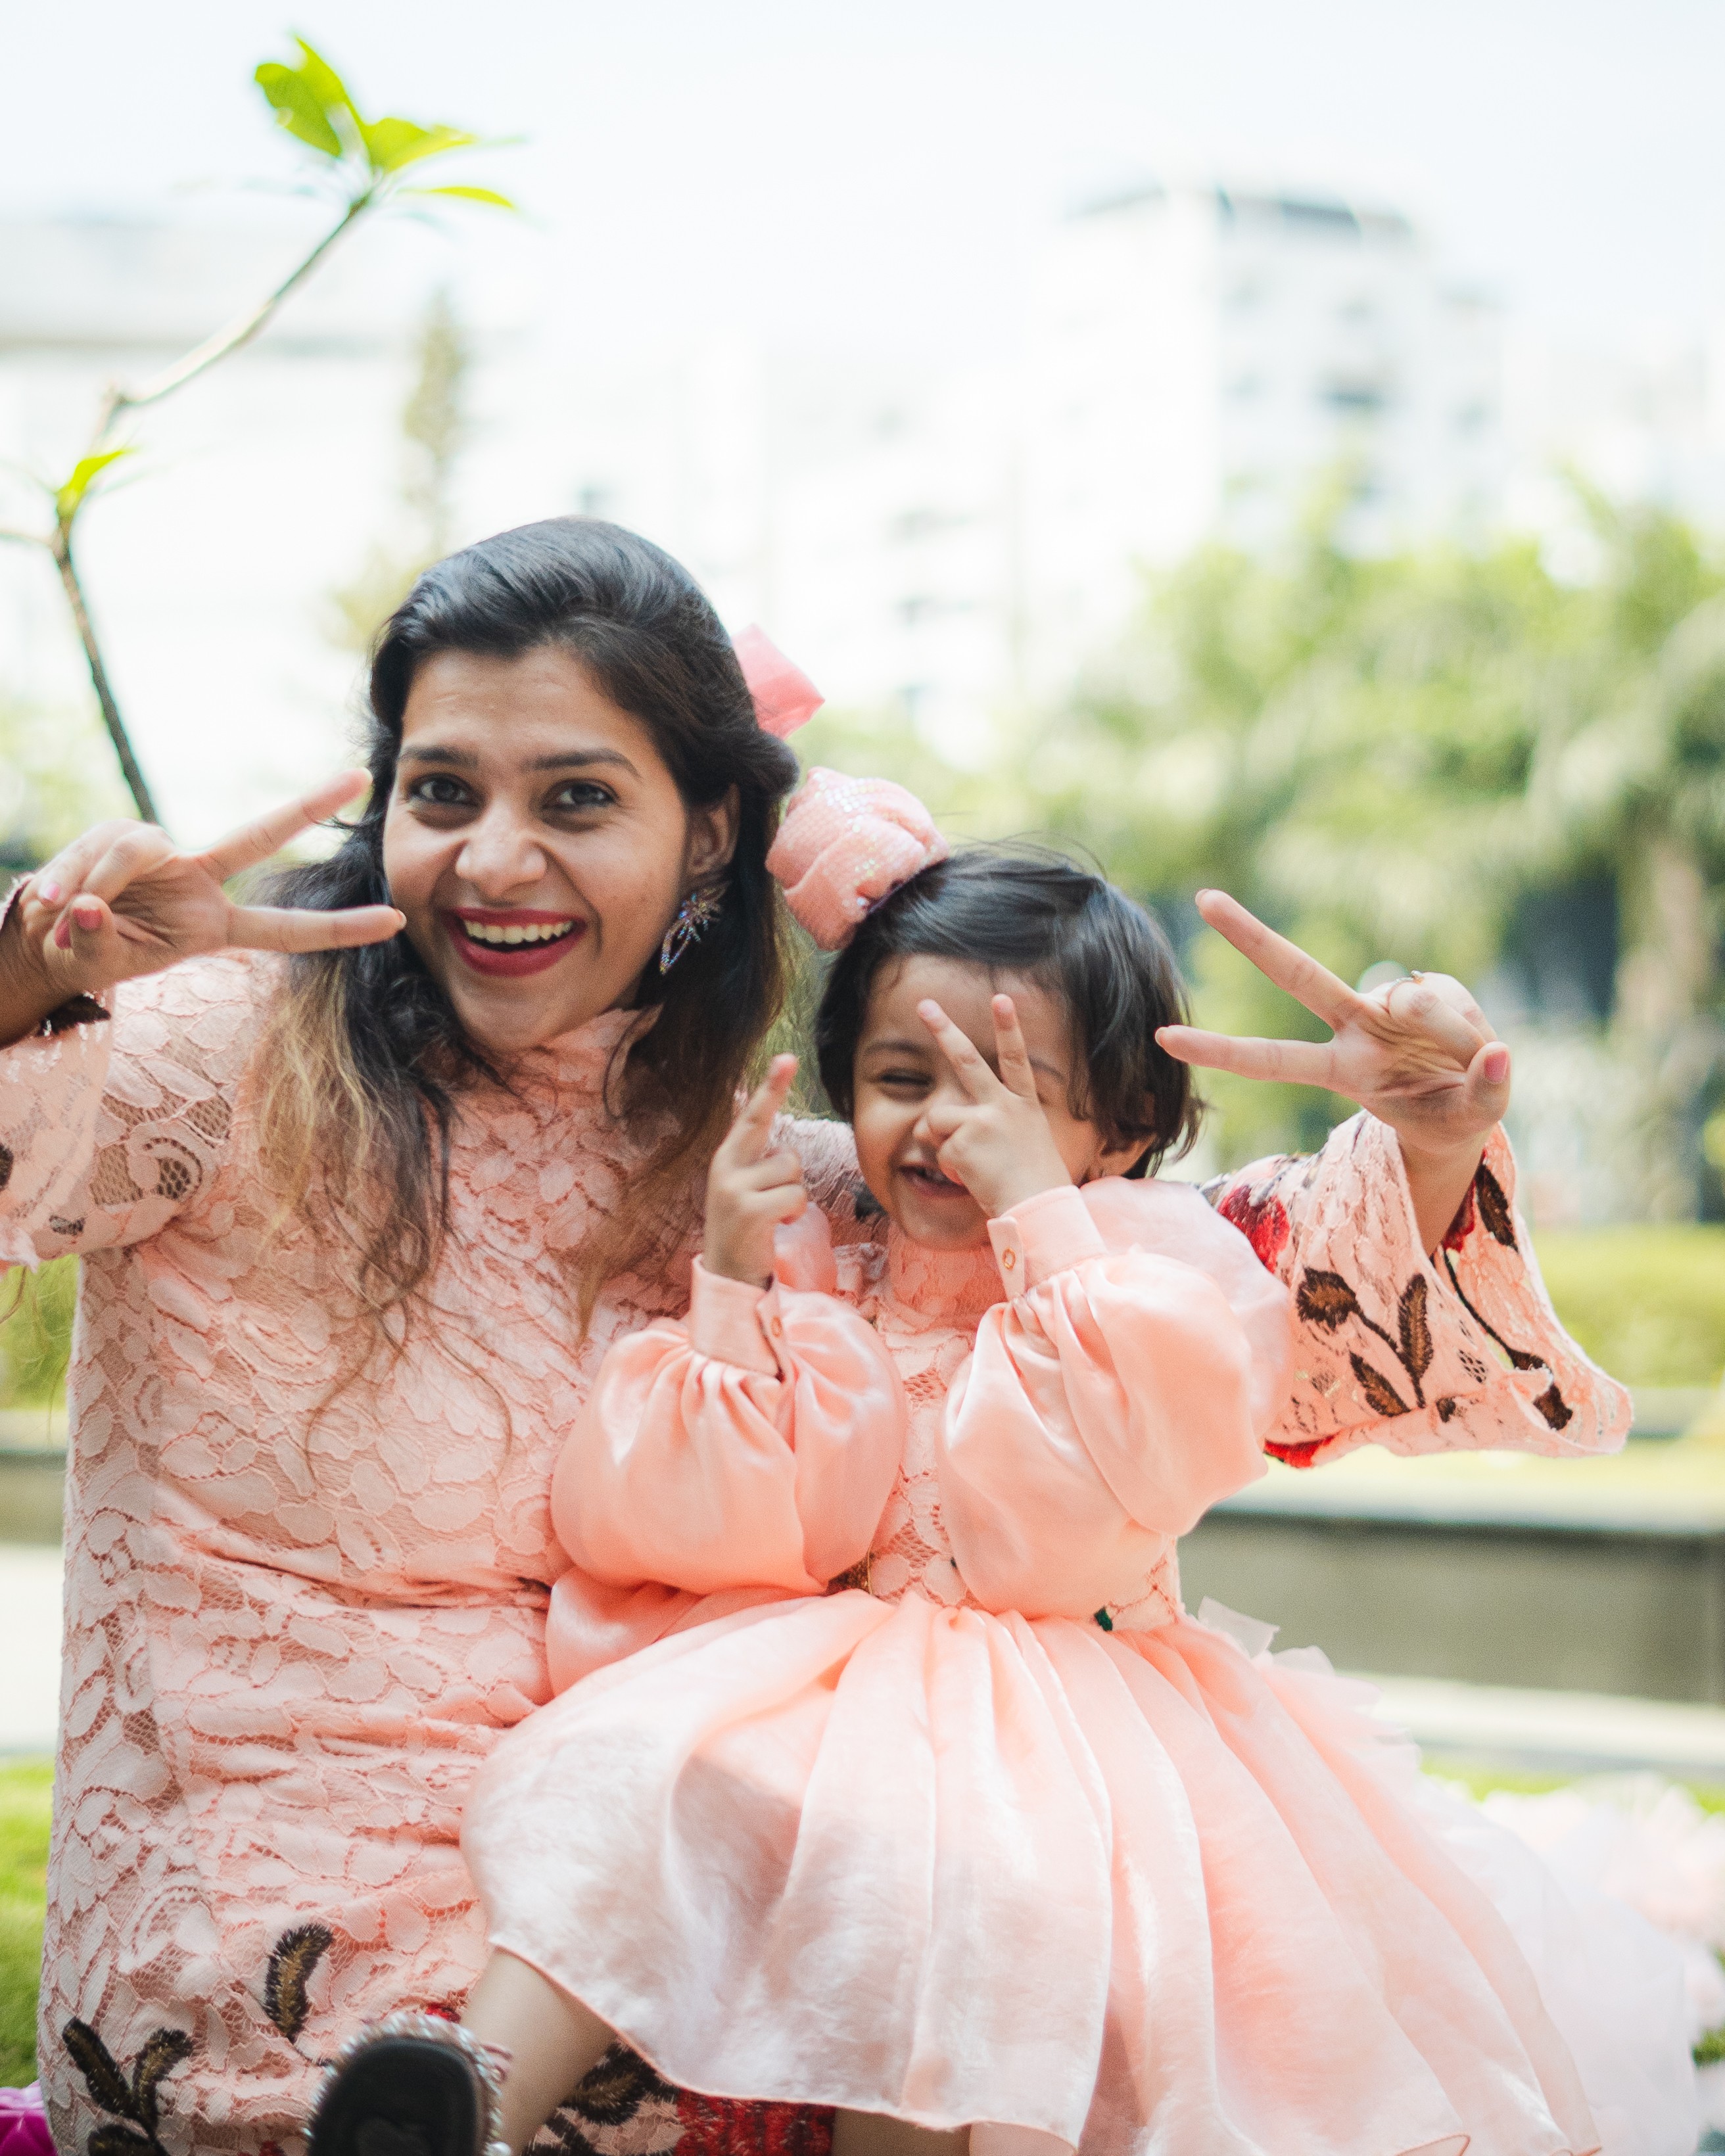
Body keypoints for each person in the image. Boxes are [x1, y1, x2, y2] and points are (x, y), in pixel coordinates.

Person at [0, 519, 1623, 2156]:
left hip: (700, 1892)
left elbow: (1198, 1286)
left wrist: (1422, 1139)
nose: (494, 859)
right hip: (287, 1952)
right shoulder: (212, 1049)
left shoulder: (768, 1153)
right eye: (441, 791)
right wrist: (23, 986)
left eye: (577, 797)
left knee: (1025, 1988)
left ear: (710, 834)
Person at [309, 773, 1692, 2156]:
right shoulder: (827, 1258)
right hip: (831, 1675)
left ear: (1125, 1127)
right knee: (631, 1764)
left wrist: (1042, 1217)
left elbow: (1104, 1489)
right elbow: (718, 1519)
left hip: (1072, 1709)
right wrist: (732, 1285)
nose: (944, 1126)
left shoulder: (1151, 1265)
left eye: (1008, 1092)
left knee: (967, 1937)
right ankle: (463, 2089)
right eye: (901, 1078)